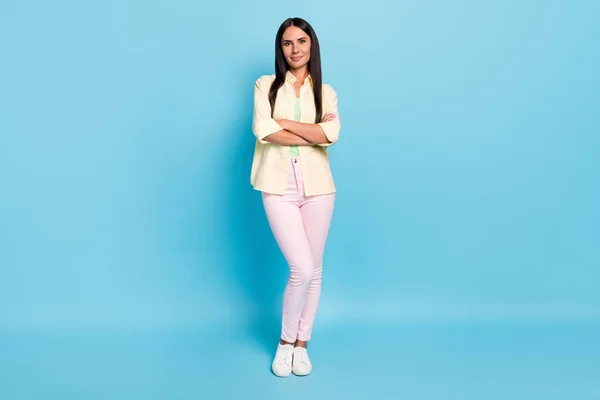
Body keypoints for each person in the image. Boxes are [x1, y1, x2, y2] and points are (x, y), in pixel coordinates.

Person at [250, 17, 341, 377]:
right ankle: (285, 342)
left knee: (314, 271)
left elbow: (332, 134)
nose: (295, 49)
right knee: (300, 268)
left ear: (311, 46)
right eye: (288, 43)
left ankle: (302, 345)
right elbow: (262, 130)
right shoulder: (265, 85)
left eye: (301, 41)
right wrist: (313, 133)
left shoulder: (327, 92)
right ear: (280, 48)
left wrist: (282, 122)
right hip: (277, 187)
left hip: (319, 188)